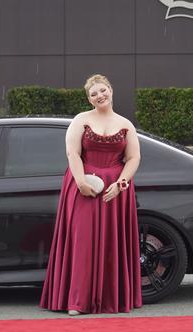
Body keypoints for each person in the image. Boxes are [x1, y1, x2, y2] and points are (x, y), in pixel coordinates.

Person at [40, 74, 142, 315]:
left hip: (115, 190)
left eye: (103, 90)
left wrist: (121, 184)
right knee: (82, 242)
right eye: (94, 93)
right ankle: (77, 301)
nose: (100, 96)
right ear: (89, 99)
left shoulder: (126, 124)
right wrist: (80, 182)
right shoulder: (80, 120)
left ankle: (111, 299)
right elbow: (72, 153)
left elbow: (134, 157)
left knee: (111, 243)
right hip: (83, 187)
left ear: (111, 90)